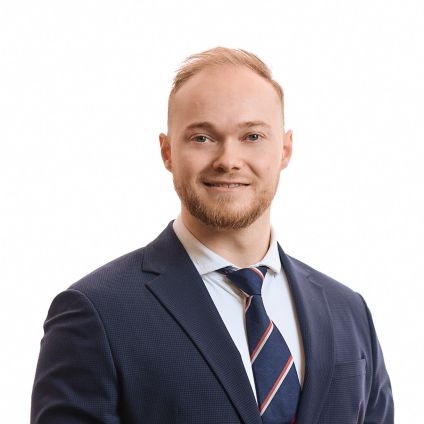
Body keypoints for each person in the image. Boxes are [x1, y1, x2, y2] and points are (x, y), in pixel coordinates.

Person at [31, 47, 394, 424]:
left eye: (252, 136)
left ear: (285, 149)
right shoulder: (96, 313)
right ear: (167, 152)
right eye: (202, 138)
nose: (228, 160)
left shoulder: (348, 310)